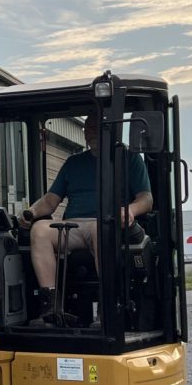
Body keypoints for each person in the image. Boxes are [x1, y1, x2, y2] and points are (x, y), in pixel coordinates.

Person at [21, 113, 152, 320]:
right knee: (39, 230)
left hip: (106, 222)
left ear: (109, 129)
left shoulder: (130, 159)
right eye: (87, 128)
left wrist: (131, 210)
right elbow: (50, 200)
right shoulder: (74, 163)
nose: (89, 131)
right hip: (73, 225)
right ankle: (52, 307)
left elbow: (146, 198)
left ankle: (108, 307)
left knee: (101, 228)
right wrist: (31, 212)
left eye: (95, 126)